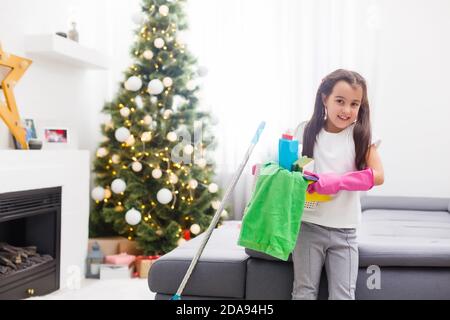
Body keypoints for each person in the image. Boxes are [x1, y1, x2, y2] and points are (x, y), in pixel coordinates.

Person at [292, 69, 384, 300]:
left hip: (345, 231)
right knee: (304, 292)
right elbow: (292, 171)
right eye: (340, 101)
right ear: (325, 98)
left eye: (354, 104)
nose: (346, 110)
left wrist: (339, 182)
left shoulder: (361, 135)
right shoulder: (305, 130)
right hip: (308, 227)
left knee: (343, 295)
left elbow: (378, 175)